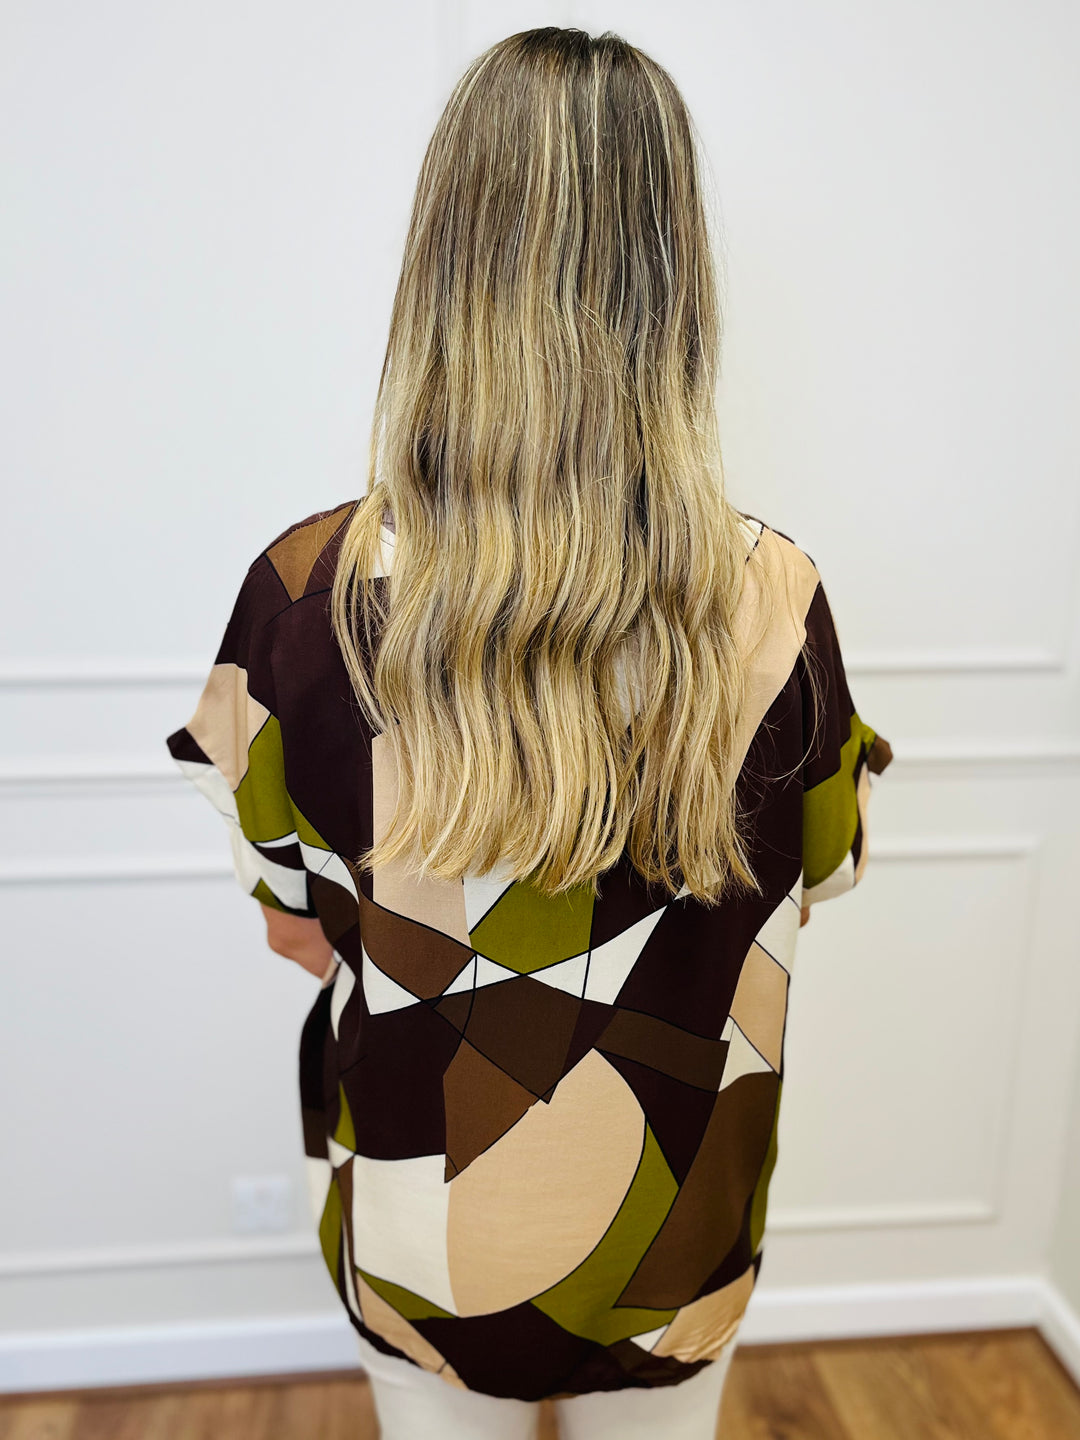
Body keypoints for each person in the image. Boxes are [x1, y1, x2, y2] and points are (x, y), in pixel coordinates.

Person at [165, 24, 893, 1439]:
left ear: (445, 262)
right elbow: (827, 875)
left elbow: (293, 925)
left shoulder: (305, 595)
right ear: (674, 281)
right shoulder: (778, 598)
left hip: (424, 1233)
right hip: (677, 1235)